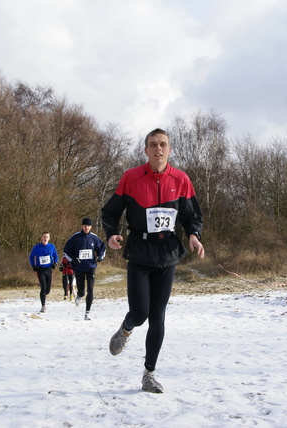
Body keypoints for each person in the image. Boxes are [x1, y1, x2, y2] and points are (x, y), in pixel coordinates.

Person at [101, 128, 205, 394]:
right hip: (139, 250)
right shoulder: (131, 177)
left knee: (158, 316)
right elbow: (111, 211)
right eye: (153, 145)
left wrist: (193, 235)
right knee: (140, 313)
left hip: (168, 251)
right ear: (146, 150)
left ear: (169, 150)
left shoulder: (181, 179)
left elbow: (192, 216)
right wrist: (112, 234)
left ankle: (149, 374)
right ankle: (126, 328)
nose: (158, 149)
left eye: (163, 145)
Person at [63, 218, 106, 320]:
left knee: (90, 289)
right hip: (79, 268)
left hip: (91, 267)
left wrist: (100, 257)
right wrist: (73, 259)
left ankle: (87, 313)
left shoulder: (94, 238)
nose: (86, 228)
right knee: (82, 291)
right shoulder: (75, 237)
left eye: (88, 226)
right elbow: (66, 251)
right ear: (82, 226)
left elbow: (102, 248)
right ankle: (79, 295)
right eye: (84, 226)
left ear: (91, 227)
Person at [28, 231, 59, 313]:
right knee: (43, 287)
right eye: (44, 237)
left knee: (47, 290)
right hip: (40, 270)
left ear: (49, 238)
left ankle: (43, 296)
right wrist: (33, 265)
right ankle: (43, 306)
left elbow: (56, 256)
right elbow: (31, 257)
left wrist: (55, 263)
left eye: (47, 237)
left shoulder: (51, 246)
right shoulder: (36, 247)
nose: (45, 238)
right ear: (41, 237)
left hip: (49, 269)